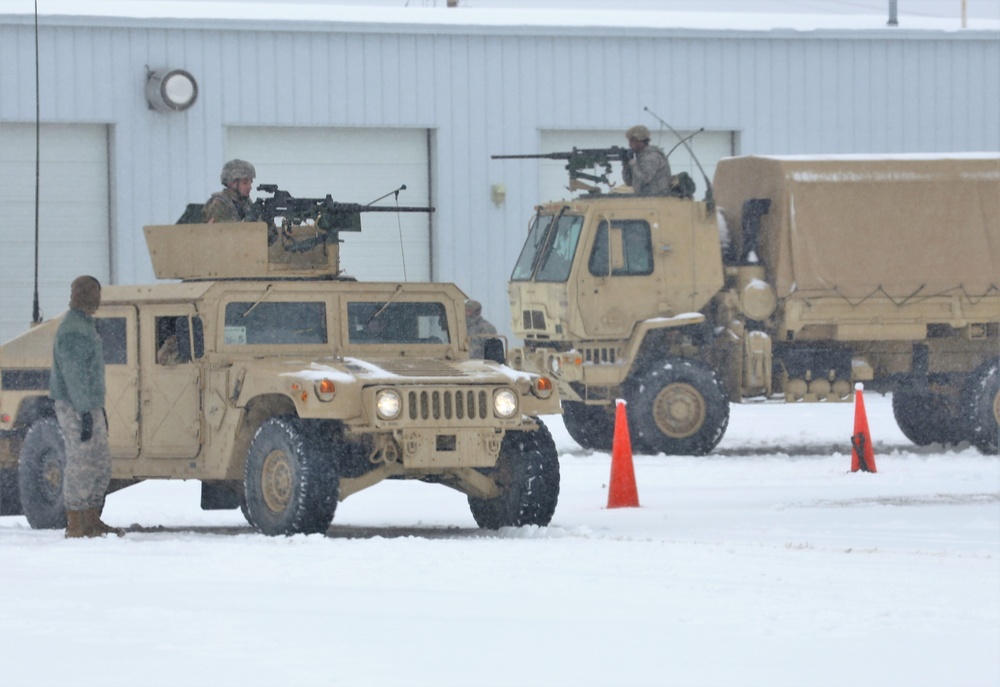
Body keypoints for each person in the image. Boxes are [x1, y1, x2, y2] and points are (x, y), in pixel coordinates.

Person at [49, 276, 124, 538]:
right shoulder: (73, 329)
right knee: (81, 462)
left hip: (89, 405)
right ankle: (77, 523)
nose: (97, 299)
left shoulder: (84, 324)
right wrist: (84, 411)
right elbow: (74, 375)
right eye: (93, 293)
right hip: (75, 406)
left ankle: (92, 517)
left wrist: (96, 409)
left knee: (99, 462)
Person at [622, 124, 672, 196]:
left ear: (640, 141)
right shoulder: (641, 157)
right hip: (646, 198)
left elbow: (644, 180)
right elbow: (629, 182)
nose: (629, 144)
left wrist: (633, 164)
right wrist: (626, 164)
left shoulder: (651, 157)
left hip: (656, 199)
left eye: (632, 141)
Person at [203, 158, 256, 223]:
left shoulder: (246, 203)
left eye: (251, 182)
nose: (249, 187)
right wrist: (248, 221)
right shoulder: (219, 204)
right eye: (245, 183)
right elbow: (222, 230)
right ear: (231, 183)